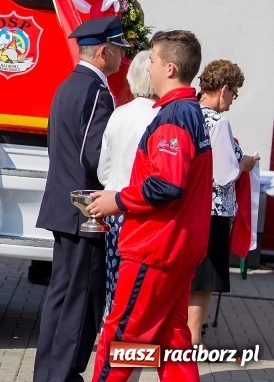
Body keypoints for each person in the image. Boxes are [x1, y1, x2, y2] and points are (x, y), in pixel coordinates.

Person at [87, 30, 212, 381]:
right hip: (176, 248)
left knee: (121, 339)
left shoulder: (174, 117)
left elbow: (167, 185)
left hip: (154, 249)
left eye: (153, 61)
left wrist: (117, 199)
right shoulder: (189, 112)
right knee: (172, 342)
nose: (149, 67)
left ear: (170, 69)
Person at [34, 15, 129, 382]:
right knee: (80, 303)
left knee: (60, 299)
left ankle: (47, 374)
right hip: (84, 212)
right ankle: (62, 376)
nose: (123, 57)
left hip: (65, 207)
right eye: (119, 49)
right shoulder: (95, 91)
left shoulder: (69, 85)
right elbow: (94, 156)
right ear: (103, 51)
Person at [187, 60, 260, 345]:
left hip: (189, 206)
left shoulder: (187, 112)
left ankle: (182, 333)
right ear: (224, 89)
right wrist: (244, 163)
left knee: (188, 274)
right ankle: (192, 339)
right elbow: (223, 173)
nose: (232, 101)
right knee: (204, 279)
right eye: (234, 94)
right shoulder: (218, 122)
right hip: (213, 210)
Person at [96, 50, 159, 322]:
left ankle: (114, 347)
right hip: (149, 214)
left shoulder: (118, 114)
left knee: (116, 288)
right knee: (145, 296)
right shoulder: (165, 116)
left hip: (117, 210)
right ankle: (135, 352)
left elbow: (103, 171)